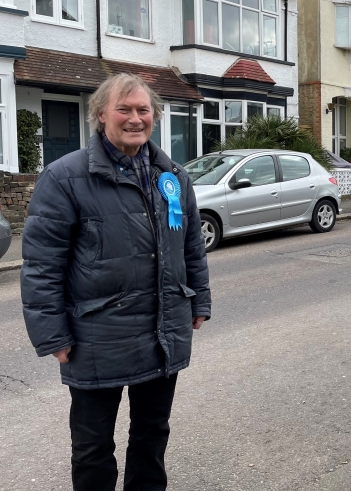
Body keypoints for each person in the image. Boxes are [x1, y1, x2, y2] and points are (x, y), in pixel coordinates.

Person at [20, 73, 211, 491]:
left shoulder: (173, 177)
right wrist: (53, 335)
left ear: (154, 117)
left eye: (143, 110)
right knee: (92, 447)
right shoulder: (64, 177)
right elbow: (41, 265)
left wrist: (199, 302)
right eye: (124, 109)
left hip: (163, 331)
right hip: (95, 337)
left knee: (152, 435)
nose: (134, 118)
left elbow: (191, 246)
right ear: (101, 114)